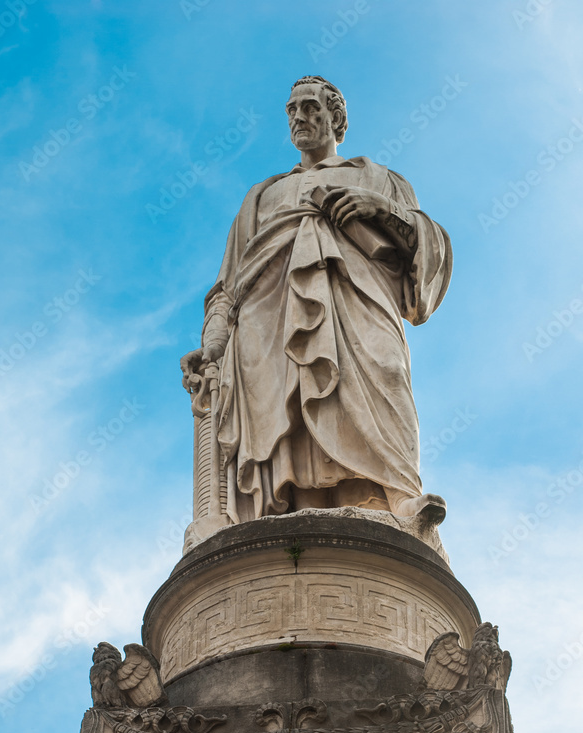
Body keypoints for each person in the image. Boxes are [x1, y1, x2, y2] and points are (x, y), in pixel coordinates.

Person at [181, 76, 452, 525]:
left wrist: (380, 209)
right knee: (284, 407)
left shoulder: (376, 177)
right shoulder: (261, 196)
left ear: (335, 117)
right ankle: (281, 512)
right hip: (267, 321)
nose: (299, 118)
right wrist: (212, 342)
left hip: (357, 297)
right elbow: (227, 285)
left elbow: (430, 249)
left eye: (309, 107)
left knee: (385, 369)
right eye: (291, 110)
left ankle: (398, 496)